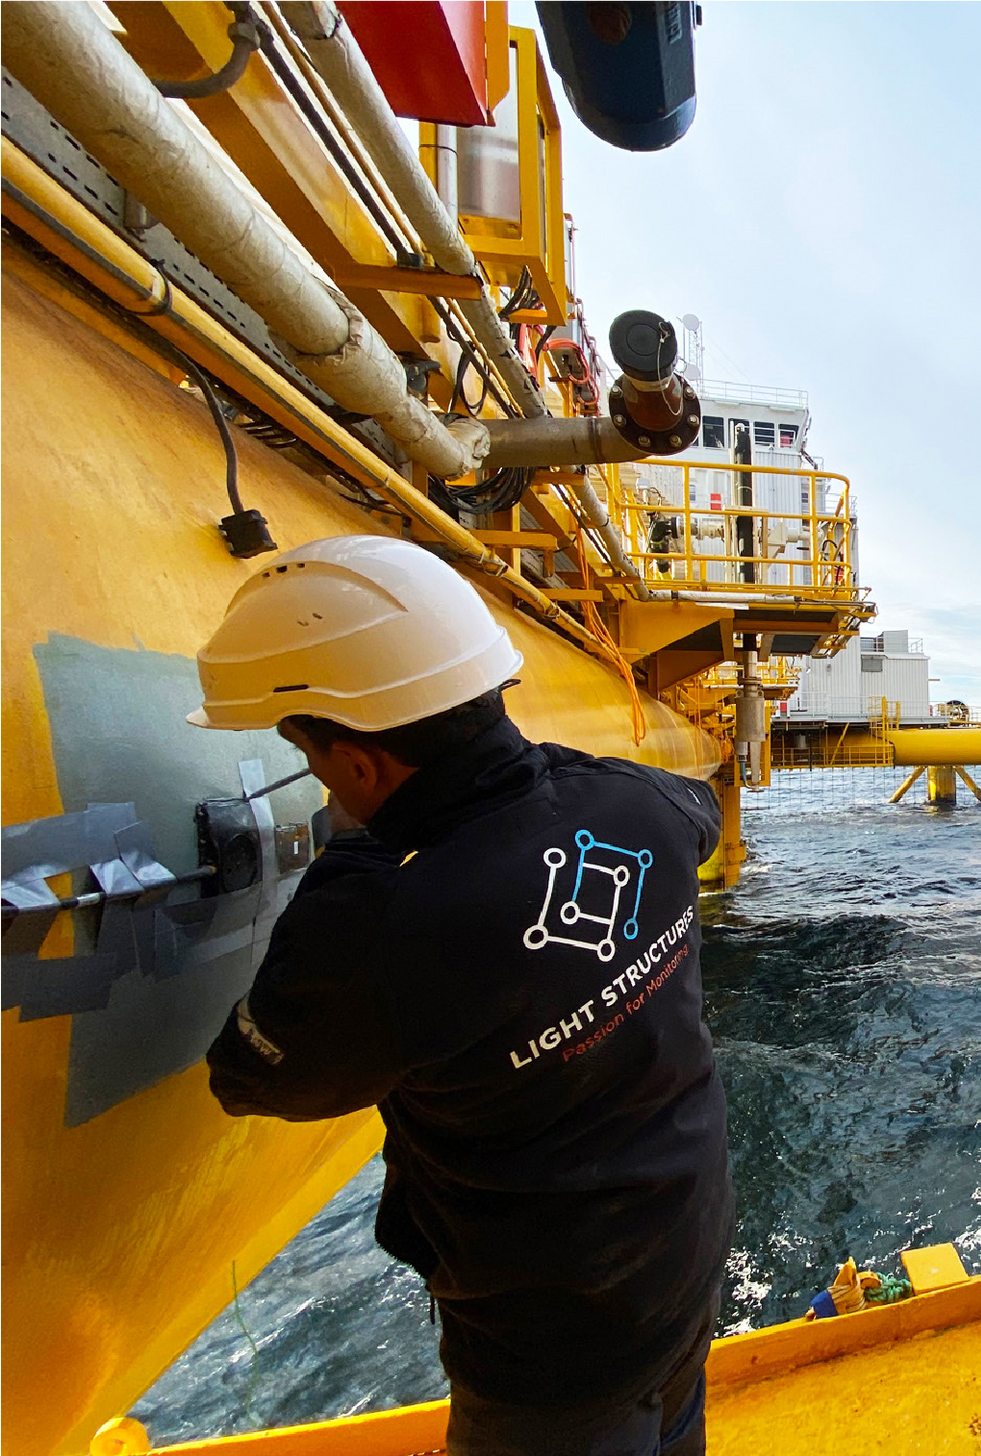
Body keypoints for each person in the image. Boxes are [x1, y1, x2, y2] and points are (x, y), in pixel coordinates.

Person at [191, 535, 733, 1456]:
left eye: (314, 757)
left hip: (553, 1346)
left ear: (358, 764)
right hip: (683, 1255)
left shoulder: (382, 916)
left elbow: (258, 1079)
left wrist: (353, 865)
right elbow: (705, 814)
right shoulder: (642, 803)